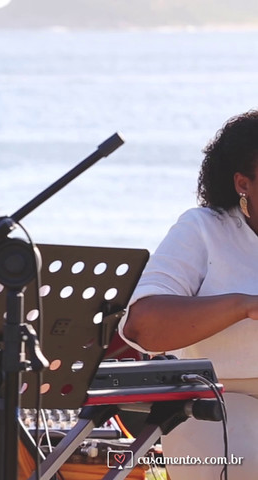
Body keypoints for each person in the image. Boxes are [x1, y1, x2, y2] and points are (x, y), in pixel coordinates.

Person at [119, 110, 258, 479]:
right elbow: (143, 328)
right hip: (214, 405)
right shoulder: (203, 230)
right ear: (244, 183)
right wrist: (244, 306)